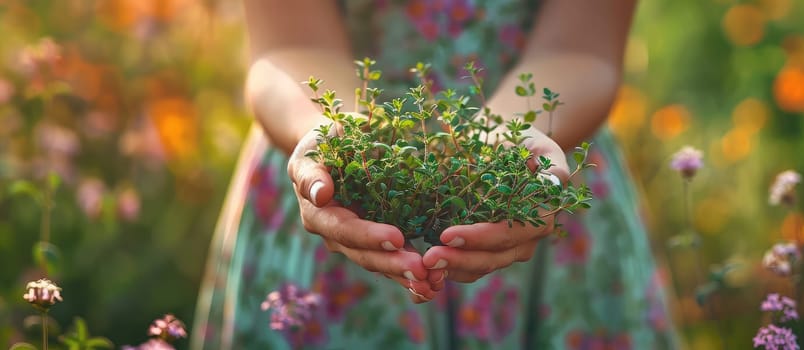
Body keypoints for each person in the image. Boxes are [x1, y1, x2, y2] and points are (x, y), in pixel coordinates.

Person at [193, 0, 680, 348]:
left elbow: (583, 48)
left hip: (537, 156)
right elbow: (289, 43)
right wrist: (338, 138)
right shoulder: (344, 155)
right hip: (337, 186)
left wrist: (504, 145)